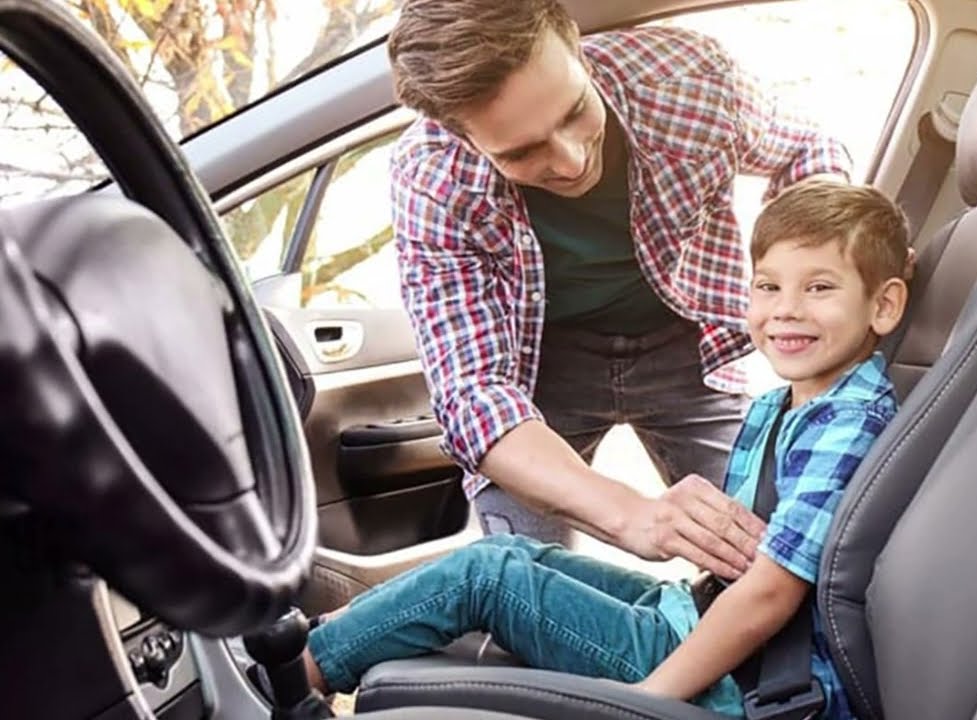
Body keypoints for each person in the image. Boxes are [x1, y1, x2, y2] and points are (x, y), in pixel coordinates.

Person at [295, 181, 910, 717]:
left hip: (749, 677)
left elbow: (775, 590)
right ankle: (321, 641)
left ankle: (292, 675)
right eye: (768, 286)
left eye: (820, 288)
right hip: (696, 615)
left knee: (487, 576)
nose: (786, 311)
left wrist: (649, 697)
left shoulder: (847, 423)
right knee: (511, 552)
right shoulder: (788, 404)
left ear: (882, 305)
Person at [387, 0, 856, 573]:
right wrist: (634, 516)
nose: (571, 159)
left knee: (778, 553)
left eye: (575, 111)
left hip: (687, 348)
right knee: (523, 580)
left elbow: (810, 152)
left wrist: (794, 286)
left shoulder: (688, 81)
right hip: (537, 380)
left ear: (575, 45)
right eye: (522, 152)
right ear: (459, 135)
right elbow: (474, 395)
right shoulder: (431, 178)